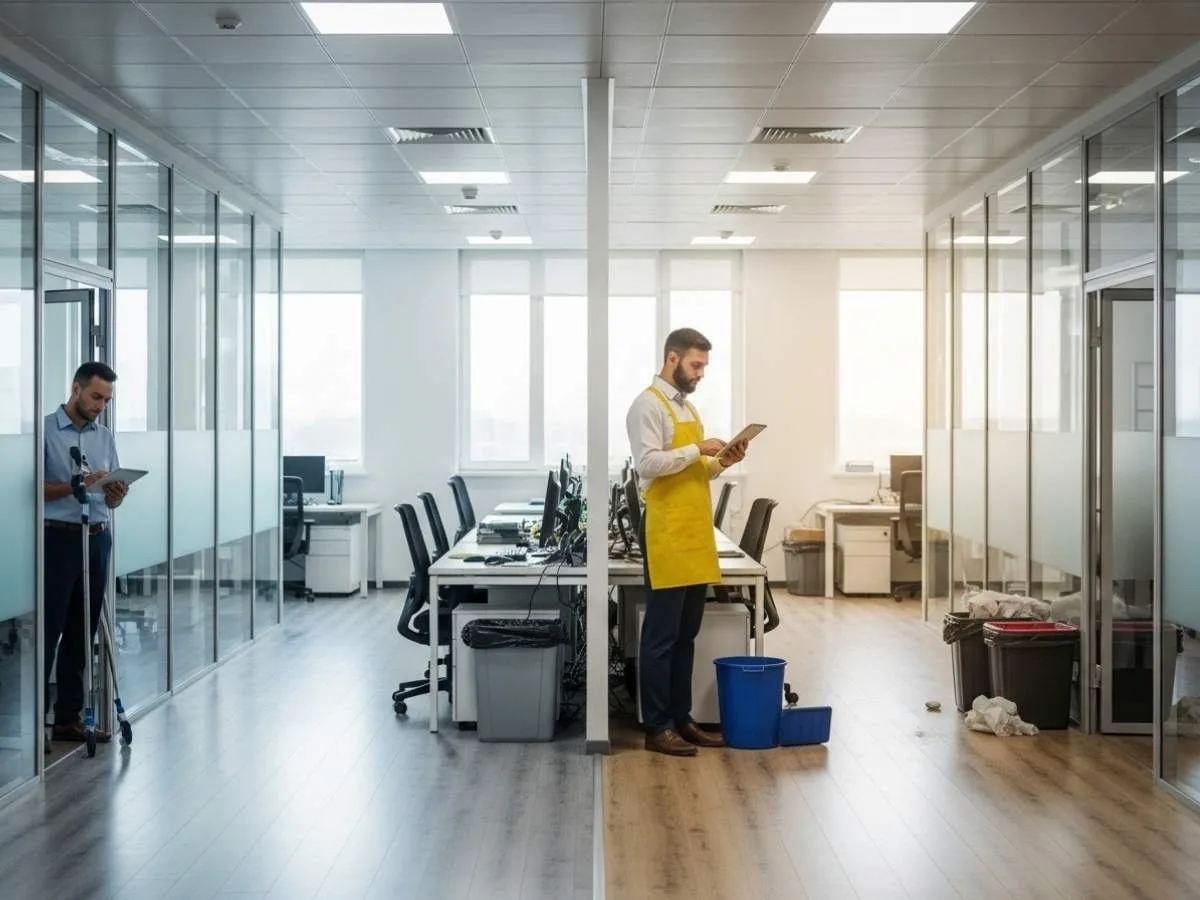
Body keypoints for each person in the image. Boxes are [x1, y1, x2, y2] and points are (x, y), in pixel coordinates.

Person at [626, 327, 747, 757]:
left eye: (704, 367)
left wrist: (719, 462)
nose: (700, 374)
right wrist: (698, 449)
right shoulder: (647, 405)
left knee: (686, 636)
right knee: (660, 637)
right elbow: (648, 464)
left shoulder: (688, 408)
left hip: (695, 535)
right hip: (666, 532)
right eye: (696, 365)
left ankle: (682, 718)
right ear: (672, 359)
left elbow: (694, 470)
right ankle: (657, 727)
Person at [43, 362, 127, 749]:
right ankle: (35, 722)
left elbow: (109, 487)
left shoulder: (104, 435)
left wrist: (114, 493)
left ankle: (68, 719)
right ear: (75, 389)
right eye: (95, 397)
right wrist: (75, 485)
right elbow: (32, 488)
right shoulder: (44, 432)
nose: (100, 406)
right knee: (49, 629)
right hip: (56, 539)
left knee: (82, 631)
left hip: (96, 537)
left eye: (106, 400)